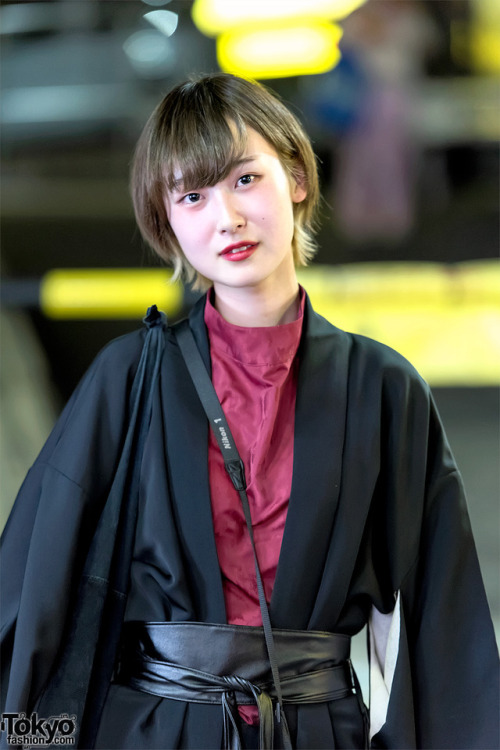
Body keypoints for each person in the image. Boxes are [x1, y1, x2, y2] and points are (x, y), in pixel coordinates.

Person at [1, 73, 498, 750]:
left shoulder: (383, 388)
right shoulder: (128, 378)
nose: (225, 218)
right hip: (153, 731)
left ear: (295, 176)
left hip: (317, 732)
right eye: (193, 196)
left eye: (243, 179)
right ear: (167, 221)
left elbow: (446, 620)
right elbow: (32, 588)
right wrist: (29, 735)